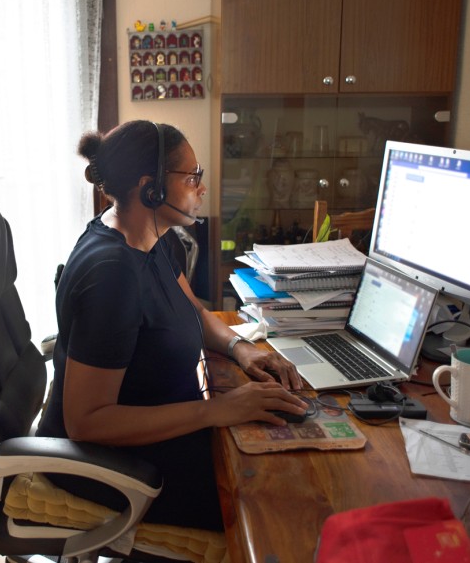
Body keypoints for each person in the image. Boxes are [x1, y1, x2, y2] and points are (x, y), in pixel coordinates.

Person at [37, 120, 307, 532]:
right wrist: (218, 409)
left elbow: (194, 311)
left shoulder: (156, 236)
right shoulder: (112, 274)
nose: (201, 188)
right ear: (152, 188)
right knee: (275, 506)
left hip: (166, 431)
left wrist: (241, 349)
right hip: (114, 463)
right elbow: (87, 421)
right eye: (193, 176)